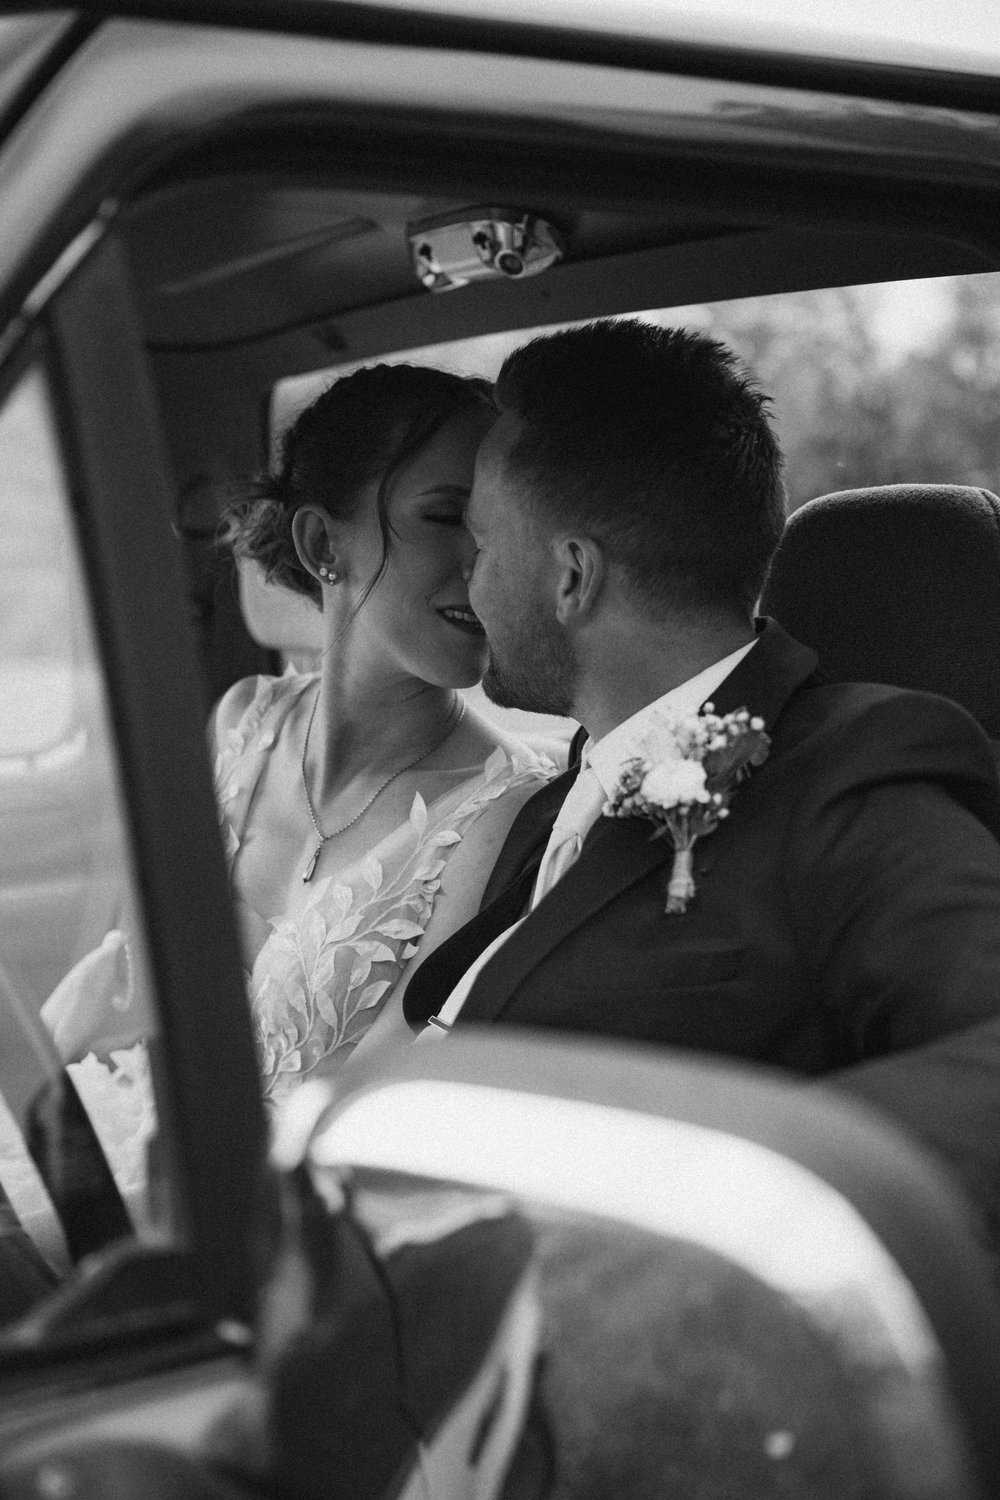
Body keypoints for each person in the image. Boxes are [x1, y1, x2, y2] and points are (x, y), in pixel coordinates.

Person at [397, 319, 1000, 1088]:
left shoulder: (851, 786)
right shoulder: (559, 799)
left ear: (573, 577)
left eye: (481, 547)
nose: (466, 578)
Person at [214, 363, 555, 1101]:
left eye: (499, 528)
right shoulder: (243, 722)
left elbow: (375, 1100)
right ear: (322, 545)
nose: (486, 561)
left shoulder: (507, 815)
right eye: (447, 515)